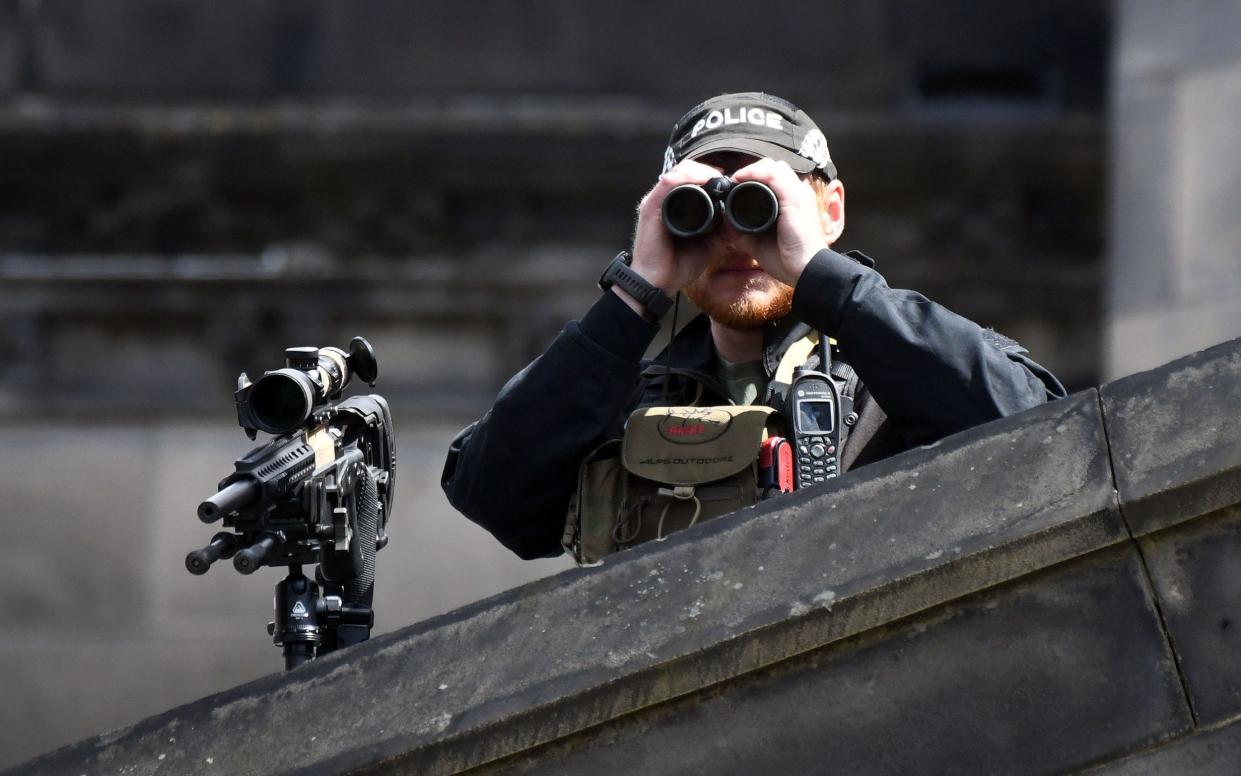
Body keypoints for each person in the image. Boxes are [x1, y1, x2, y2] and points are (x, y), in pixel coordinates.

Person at [441, 91, 1065, 560]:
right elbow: (490, 494)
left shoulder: (895, 383)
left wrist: (822, 274)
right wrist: (635, 297)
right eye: (705, 210)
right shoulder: (624, 401)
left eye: (764, 204)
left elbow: (1041, 432)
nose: (738, 239)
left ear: (830, 210)